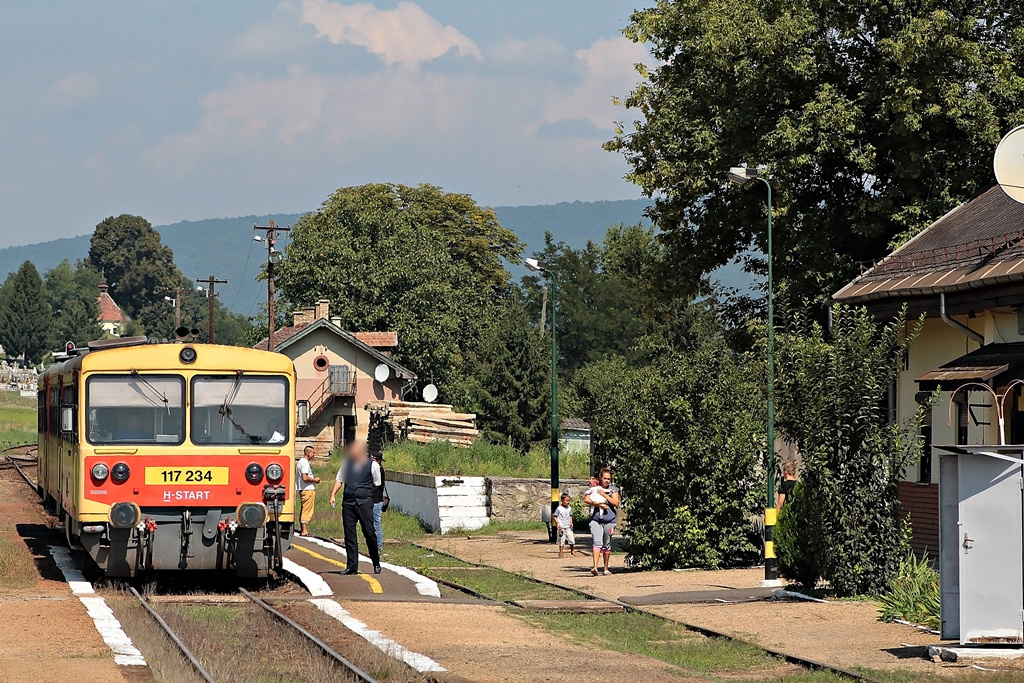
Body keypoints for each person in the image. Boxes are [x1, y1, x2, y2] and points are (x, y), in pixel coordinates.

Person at [329, 441, 381, 574]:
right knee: (349, 534)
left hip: (364, 503)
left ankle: (375, 561)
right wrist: (333, 495)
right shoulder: (347, 463)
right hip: (348, 503)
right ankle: (352, 566)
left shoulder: (373, 465)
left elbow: (377, 483)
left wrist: (364, 492)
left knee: (369, 533)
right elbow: (339, 479)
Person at [584, 467, 620, 576]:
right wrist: (598, 504)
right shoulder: (595, 488)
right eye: (605, 478)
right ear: (601, 478)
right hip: (596, 520)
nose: (607, 480)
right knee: (597, 542)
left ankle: (605, 568)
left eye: (608, 479)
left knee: (607, 544)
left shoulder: (613, 490)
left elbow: (616, 503)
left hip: (609, 521)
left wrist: (604, 495)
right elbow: (586, 499)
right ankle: (595, 566)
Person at [295, 446, 320, 537]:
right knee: (307, 510)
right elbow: (305, 478)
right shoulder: (305, 463)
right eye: (313, 453)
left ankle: (303, 529)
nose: (314, 455)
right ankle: (304, 531)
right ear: (308, 453)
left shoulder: (300, 462)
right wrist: (315, 480)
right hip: (307, 489)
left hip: (303, 489)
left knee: (304, 509)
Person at [370, 451, 386, 558]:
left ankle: (378, 547)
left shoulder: (379, 469)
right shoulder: (374, 469)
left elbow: (377, 484)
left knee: (376, 524)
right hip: (372, 500)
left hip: (376, 500)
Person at [554, 492, 575, 558]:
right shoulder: (559, 508)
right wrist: (557, 523)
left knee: (571, 539)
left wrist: (571, 522)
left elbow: (570, 515)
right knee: (561, 540)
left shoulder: (569, 508)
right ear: (562, 500)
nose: (568, 502)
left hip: (568, 526)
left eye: (569, 500)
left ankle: (572, 550)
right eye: (566, 500)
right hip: (561, 527)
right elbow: (555, 516)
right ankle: (561, 552)